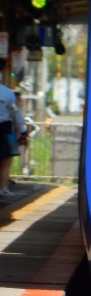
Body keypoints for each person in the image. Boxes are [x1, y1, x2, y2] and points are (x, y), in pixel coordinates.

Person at [0, 59, 27, 195]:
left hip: (6, 127)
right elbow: (16, 113)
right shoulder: (7, 93)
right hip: (5, 128)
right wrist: (22, 130)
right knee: (6, 158)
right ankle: (3, 187)